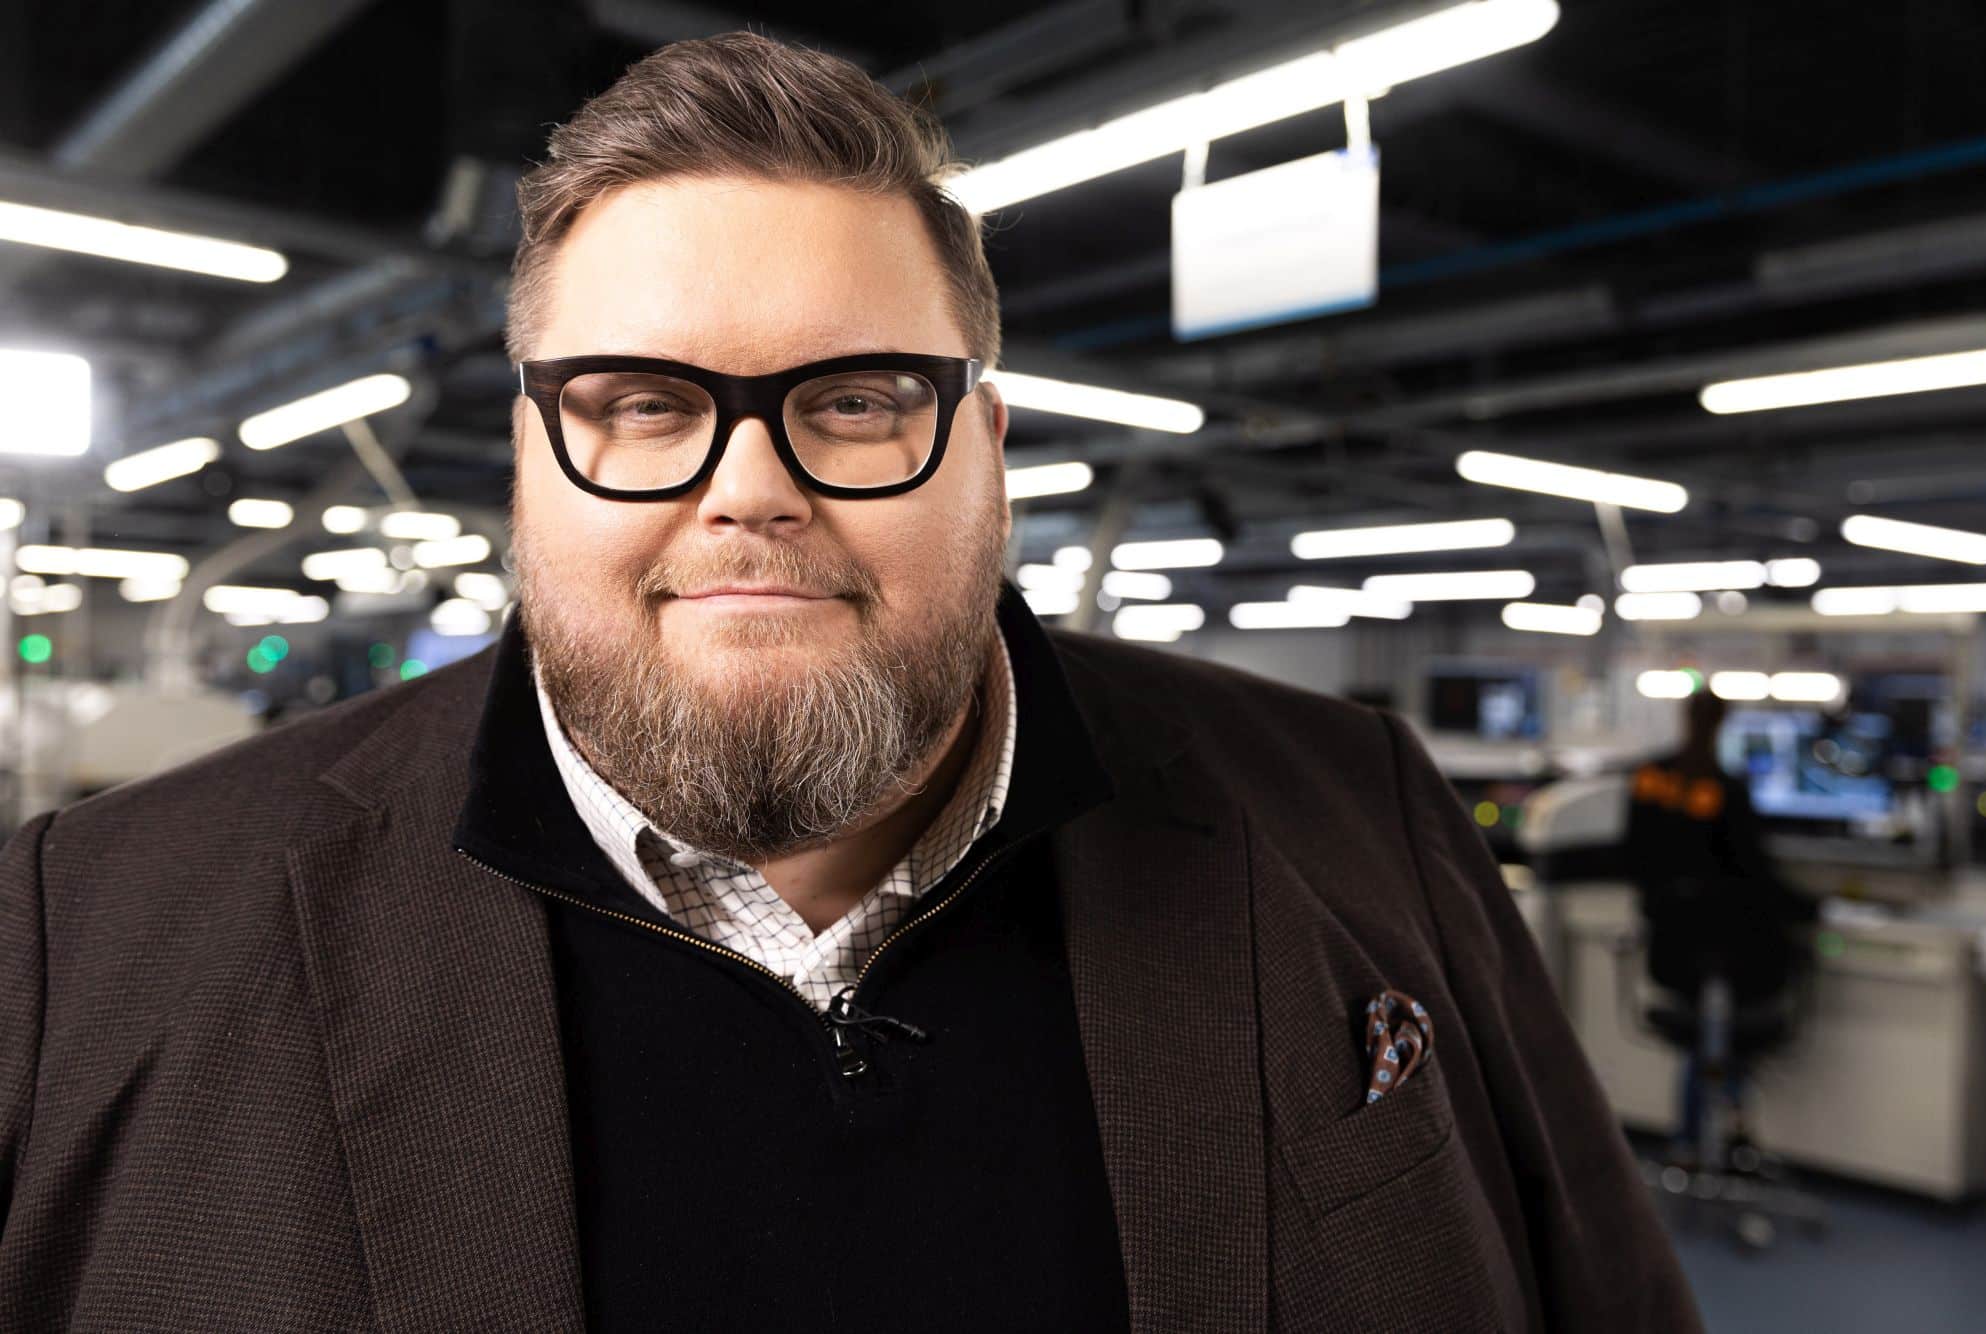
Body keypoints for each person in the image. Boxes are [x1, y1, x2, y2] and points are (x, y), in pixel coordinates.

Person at [0, 34, 1699, 1332]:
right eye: (641, 403)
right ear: (527, 455)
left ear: (990, 449)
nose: (749, 487)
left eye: (860, 400)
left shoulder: (1358, 814)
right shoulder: (85, 937)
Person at [1624, 687, 1819, 1159]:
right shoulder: (1725, 790)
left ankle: (1692, 1143)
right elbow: (1754, 872)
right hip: (1730, 964)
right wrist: (1812, 909)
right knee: (1723, 1036)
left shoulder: (1650, 777)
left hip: (1671, 951)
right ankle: (1727, 1133)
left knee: (1704, 1042)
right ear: (1722, 725)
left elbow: (1634, 852)